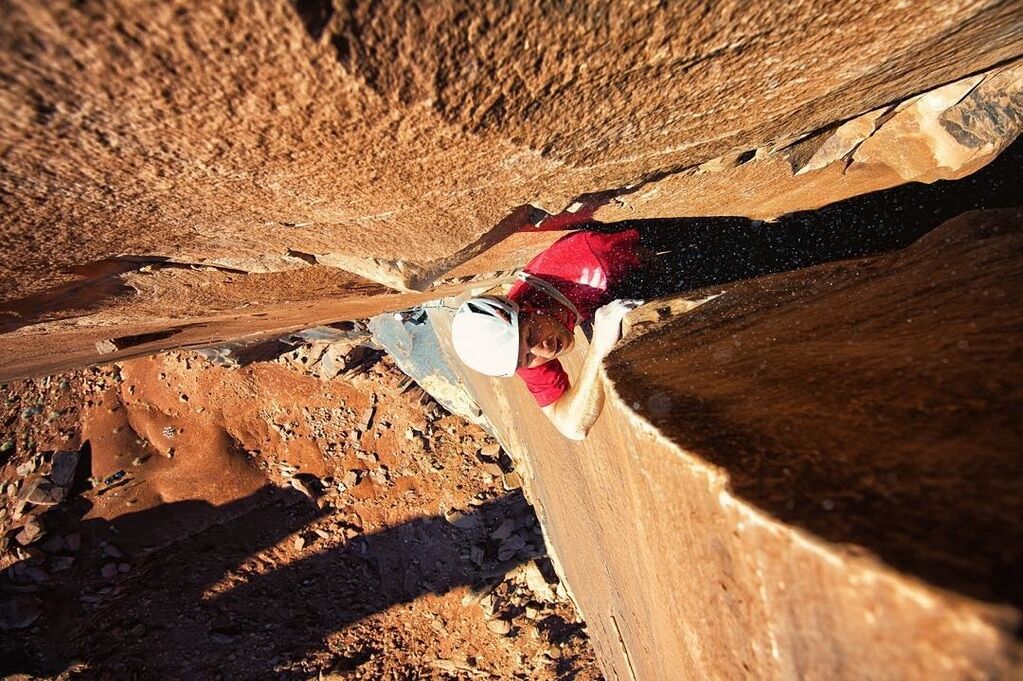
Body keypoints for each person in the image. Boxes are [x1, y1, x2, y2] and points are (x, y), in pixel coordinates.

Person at [451, 229, 644, 440]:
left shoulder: (594, 265)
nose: (545, 350)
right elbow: (573, 428)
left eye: (531, 335)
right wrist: (599, 348)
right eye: (526, 357)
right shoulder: (517, 347)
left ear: (526, 307)